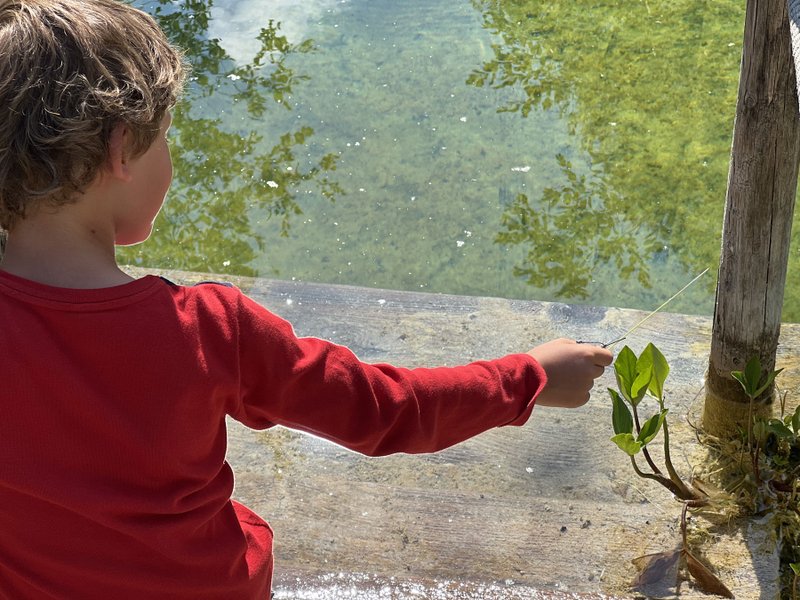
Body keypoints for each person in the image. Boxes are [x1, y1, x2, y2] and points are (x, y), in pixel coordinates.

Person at [0, 0, 614, 598]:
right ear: (121, 149)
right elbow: (385, 411)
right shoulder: (210, 331)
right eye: (164, 138)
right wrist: (528, 378)